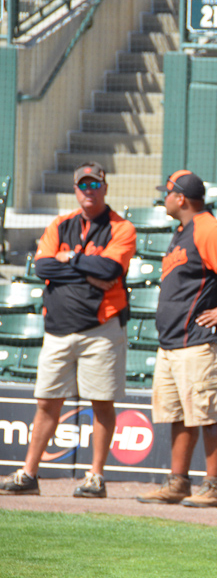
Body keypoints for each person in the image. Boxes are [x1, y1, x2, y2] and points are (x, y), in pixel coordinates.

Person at [0, 162, 136, 498]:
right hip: (58, 329)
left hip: (101, 327)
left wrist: (69, 259)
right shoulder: (60, 224)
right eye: (83, 185)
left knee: (102, 402)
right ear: (75, 190)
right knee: (47, 402)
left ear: (104, 188)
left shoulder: (121, 228)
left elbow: (110, 267)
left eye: (94, 184)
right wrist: (86, 269)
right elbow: (42, 265)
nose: (88, 190)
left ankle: (96, 476)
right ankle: (29, 474)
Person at [136, 171, 217, 508]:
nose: (164, 198)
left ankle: (215, 486)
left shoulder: (207, 229)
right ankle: (178, 483)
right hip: (174, 342)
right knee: (179, 416)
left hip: (201, 341)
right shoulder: (182, 232)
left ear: (181, 198)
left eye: (168, 193)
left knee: (210, 414)